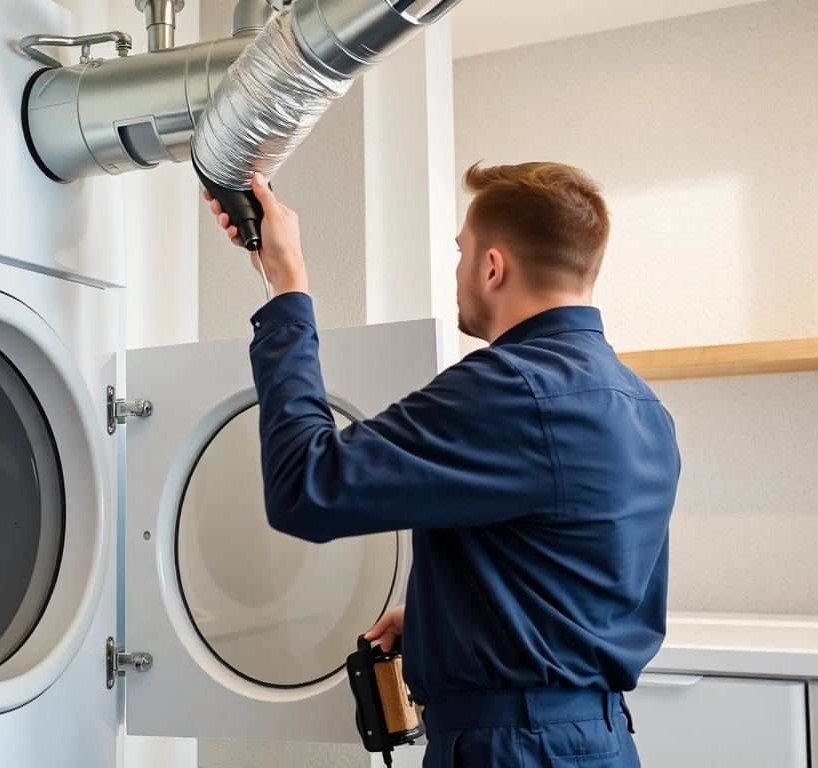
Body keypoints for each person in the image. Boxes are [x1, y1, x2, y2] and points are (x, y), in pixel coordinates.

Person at [203, 162, 680, 768]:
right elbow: (575, 571)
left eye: (461, 252)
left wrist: (287, 288)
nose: (458, 271)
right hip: (601, 742)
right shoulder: (644, 406)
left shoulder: (508, 389)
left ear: (492, 266)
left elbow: (307, 485)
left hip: (511, 751)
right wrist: (446, 616)